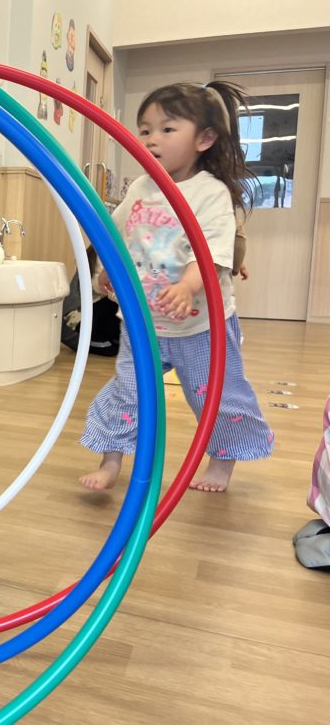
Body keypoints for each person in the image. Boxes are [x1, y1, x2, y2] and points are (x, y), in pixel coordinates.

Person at [77, 81, 274, 494]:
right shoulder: (140, 188)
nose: (152, 139)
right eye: (145, 130)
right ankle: (110, 461)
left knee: (215, 396)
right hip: (143, 322)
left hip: (200, 327)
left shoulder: (210, 193)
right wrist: (107, 270)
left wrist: (187, 286)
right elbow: (118, 234)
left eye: (167, 129)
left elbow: (213, 252)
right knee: (128, 393)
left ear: (204, 139)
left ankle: (222, 462)